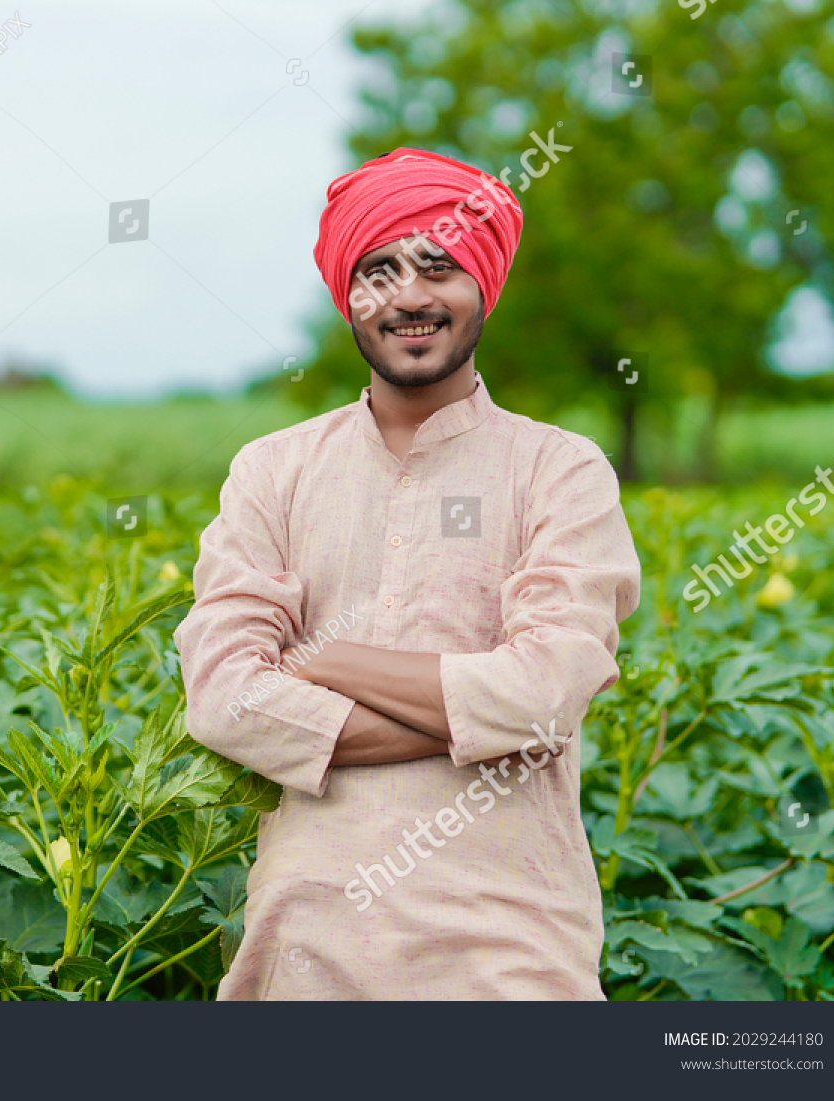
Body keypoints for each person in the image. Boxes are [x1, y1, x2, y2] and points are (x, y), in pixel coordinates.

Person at [173, 148, 641, 999]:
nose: (411, 295)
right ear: (347, 296)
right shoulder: (273, 470)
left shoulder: (560, 470)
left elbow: (545, 692)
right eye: (378, 269)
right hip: (305, 942)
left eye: (440, 266)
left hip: (513, 947)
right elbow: (223, 697)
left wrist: (321, 663)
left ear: (483, 287)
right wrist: (484, 717)